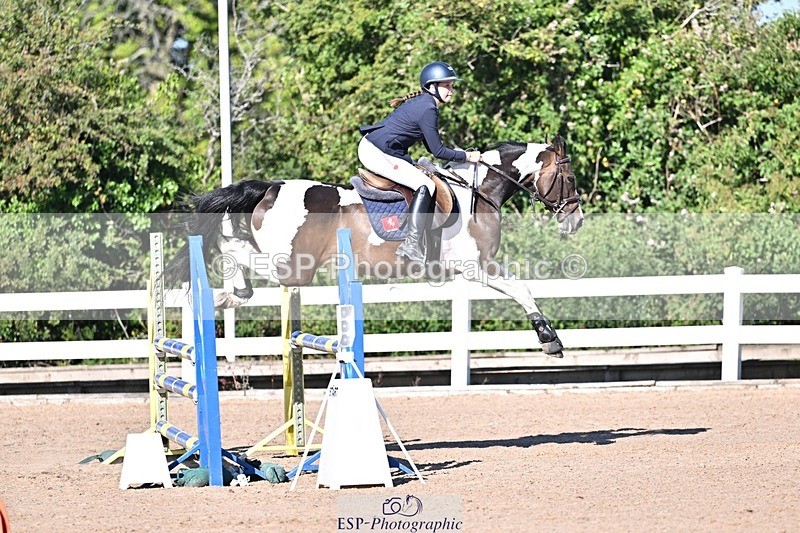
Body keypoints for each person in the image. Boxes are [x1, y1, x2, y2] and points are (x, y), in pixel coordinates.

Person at [358, 61, 481, 263]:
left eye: (452, 86)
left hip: (382, 149)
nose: (451, 90)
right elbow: (437, 151)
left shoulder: (426, 104)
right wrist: (467, 157)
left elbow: (429, 147)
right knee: (425, 184)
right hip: (376, 152)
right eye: (446, 86)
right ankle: (411, 244)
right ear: (431, 87)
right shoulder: (427, 109)